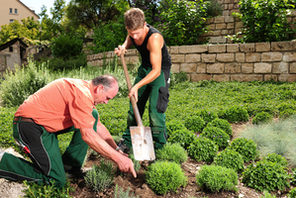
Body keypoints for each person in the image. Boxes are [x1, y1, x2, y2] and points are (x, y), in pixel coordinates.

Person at [0, 75, 136, 188]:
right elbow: (88, 135)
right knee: (56, 181)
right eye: (107, 98)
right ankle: (4, 162)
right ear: (100, 88)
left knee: (92, 117)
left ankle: (70, 168)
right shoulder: (81, 94)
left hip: (44, 126)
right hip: (28, 126)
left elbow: (98, 125)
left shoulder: (84, 89)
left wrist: (117, 150)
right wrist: (118, 159)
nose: (106, 102)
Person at [114, 8, 171, 152]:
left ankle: (159, 147)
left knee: (155, 110)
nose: (135, 36)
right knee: (134, 105)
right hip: (145, 68)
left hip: (159, 72)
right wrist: (124, 47)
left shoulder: (154, 38)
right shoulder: (132, 33)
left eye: (138, 33)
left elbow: (156, 70)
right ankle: (128, 140)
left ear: (144, 24)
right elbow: (129, 38)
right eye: (131, 33)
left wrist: (136, 86)